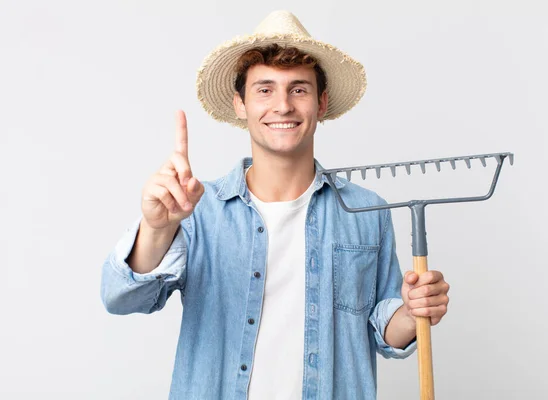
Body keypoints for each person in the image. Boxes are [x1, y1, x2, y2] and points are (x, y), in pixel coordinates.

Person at [101, 10, 450, 400]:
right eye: (264, 89)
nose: (282, 105)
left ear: (321, 102)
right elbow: (121, 297)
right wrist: (156, 227)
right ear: (240, 104)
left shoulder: (368, 212)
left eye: (298, 89)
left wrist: (413, 311)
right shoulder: (198, 210)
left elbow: (386, 329)